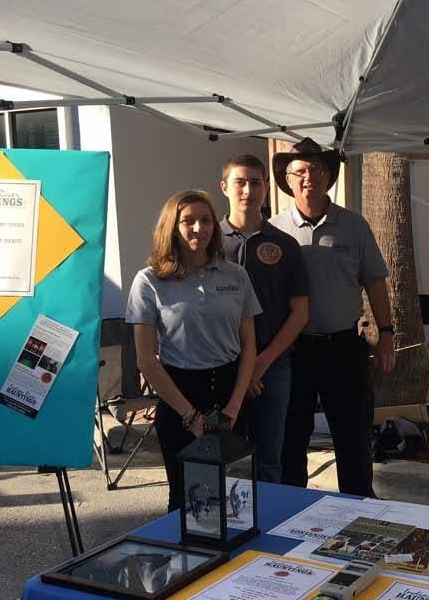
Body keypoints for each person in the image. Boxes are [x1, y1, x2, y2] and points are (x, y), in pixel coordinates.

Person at [270, 138, 396, 497]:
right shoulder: (274, 232)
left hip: (343, 348)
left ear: (329, 176)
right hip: (291, 351)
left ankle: (358, 509)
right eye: (301, 171)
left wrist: (386, 334)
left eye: (317, 169)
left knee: (353, 434)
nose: (309, 177)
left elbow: (374, 282)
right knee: (291, 436)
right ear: (289, 179)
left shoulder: (354, 227)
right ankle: (289, 505)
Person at [126, 190, 261, 512]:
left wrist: (234, 407)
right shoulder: (149, 281)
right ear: (171, 226)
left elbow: (249, 346)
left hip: (232, 394)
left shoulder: (236, 275)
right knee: (187, 500)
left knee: (235, 499)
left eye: (205, 220)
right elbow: (146, 359)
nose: (198, 228)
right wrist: (190, 417)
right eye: (188, 221)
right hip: (179, 397)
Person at [219, 154, 309, 483]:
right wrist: (243, 366)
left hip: (273, 366)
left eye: (255, 182)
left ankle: (268, 527)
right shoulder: (208, 244)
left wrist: (262, 362)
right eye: (240, 182)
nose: (248, 190)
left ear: (267, 188)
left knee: (270, 457)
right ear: (224, 187)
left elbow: (300, 312)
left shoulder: (284, 245)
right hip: (222, 365)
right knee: (222, 456)